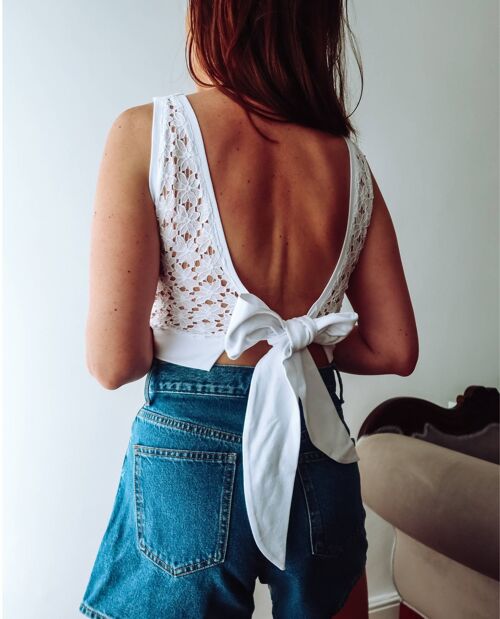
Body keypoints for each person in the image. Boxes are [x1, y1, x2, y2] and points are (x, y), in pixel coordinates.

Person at [79, 1, 419, 617]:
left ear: (217, 16)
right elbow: (396, 349)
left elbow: (112, 362)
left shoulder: (149, 131)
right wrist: (301, 343)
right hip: (319, 440)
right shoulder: (347, 162)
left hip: (189, 450)